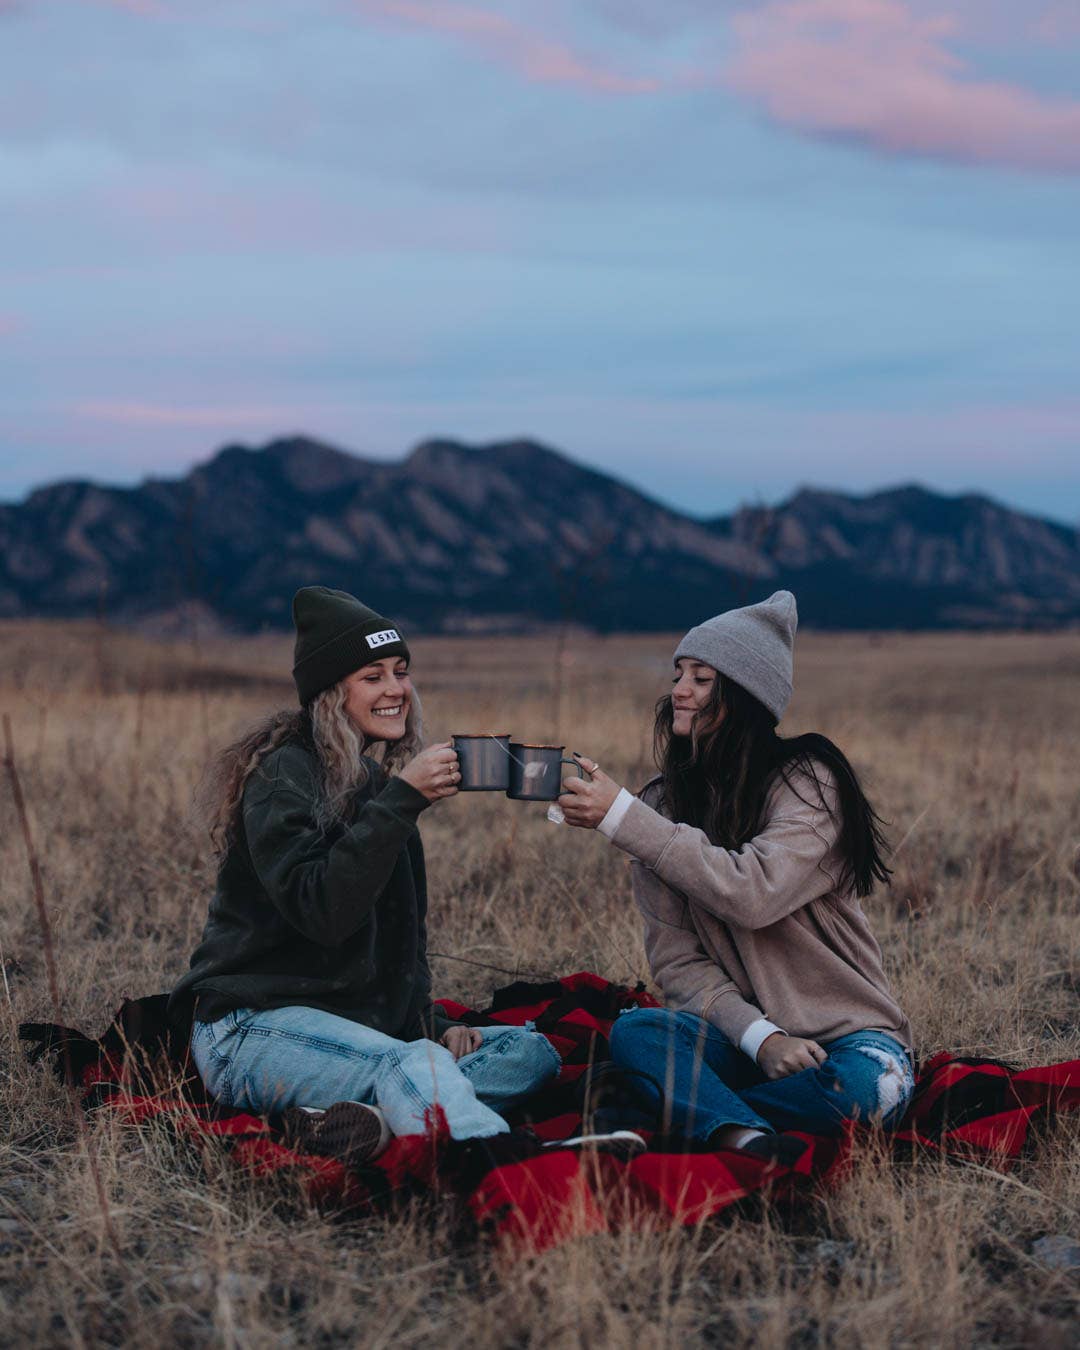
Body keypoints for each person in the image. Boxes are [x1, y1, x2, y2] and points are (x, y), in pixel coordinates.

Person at [169, 586, 561, 1164]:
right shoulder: (284, 777)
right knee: (412, 1065)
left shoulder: (374, 788)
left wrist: (429, 1021)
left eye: (400, 672)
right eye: (372, 675)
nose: (396, 689)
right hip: (252, 1030)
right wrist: (402, 801)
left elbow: (404, 937)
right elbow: (323, 912)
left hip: (356, 1027)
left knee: (530, 1053)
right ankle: (493, 1161)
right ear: (331, 692)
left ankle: (372, 1120)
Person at [556, 591, 914, 1158]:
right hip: (735, 1039)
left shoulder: (810, 783)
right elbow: (678, 963)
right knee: (637, 1032)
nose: (679, 689)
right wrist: (761, 1038)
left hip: (848, 1040)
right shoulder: (663, 806)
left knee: (867, 1091)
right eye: (679, 673)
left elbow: (753, 893)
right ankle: (740, 1134)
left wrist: (623, 817)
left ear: (744, 695)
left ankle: (679, 1110)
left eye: (701, 677)